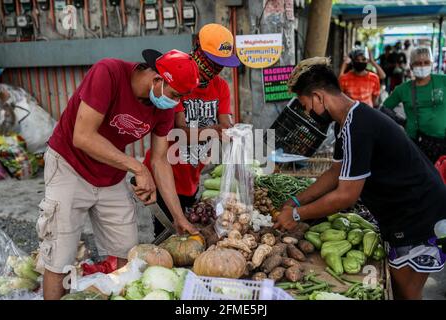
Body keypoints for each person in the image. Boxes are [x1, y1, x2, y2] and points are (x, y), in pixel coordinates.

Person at [37, 49, 200, 300]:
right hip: (69, 166)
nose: (175, 103)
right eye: (175, 94)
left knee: (127, 258)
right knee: (60, 260)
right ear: (157, 79)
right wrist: (137, 167)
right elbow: (82, 136)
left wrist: (178, 217)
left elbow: (159, 160)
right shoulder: (108, 73)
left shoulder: (163, 108)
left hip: (110, 175)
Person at [278, 57, 446, 300]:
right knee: (398, 289)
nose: (308, 112)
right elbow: (334, 173)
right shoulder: (345, 123)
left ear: (318, 97)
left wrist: (297, 215)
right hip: (402, 214)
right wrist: (295, 201)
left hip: (419, 215)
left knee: (407, 293)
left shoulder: (359, 126)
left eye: (306, 105)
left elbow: (346, 196)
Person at [143, 23, 239, 237]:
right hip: (165, 174)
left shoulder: (220, 87)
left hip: (192, 175)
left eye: (222, 64)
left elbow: (226, 123)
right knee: (168, 236)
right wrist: (215, 130)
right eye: (214, 63)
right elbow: (179, 131)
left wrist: (233, 131)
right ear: (198, 51)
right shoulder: (176, 80)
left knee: (192, 233)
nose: (217, 69)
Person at [383, 47, 446, 163]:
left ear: (431, 64)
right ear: (411, 66)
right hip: (417, 143)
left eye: (426, 62)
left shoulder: (443, 81)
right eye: (418, 63)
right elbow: (384, 110)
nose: (422, 66)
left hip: (443, 143)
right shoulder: (402, 89)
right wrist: (400, 121)